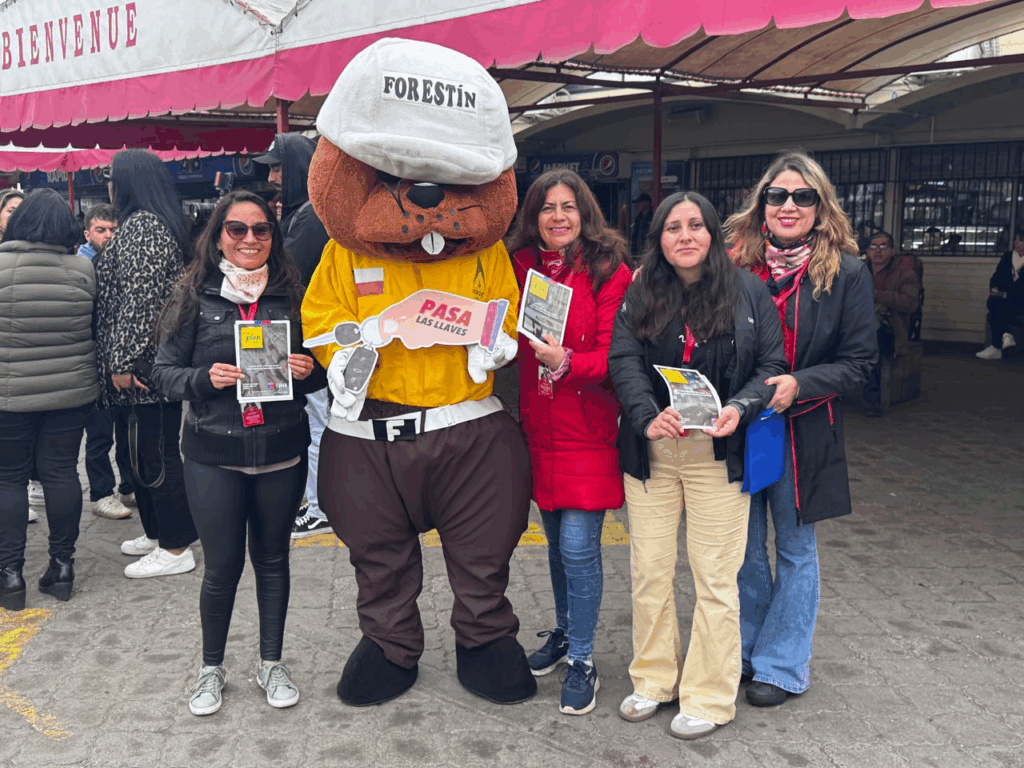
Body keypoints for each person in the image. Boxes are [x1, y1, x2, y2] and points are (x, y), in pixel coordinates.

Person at [608, 190, 786, 739]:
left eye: (695, 225)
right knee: (650, 570)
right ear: (658, 238)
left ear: (712, 233)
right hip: (654, 453)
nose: (684, 236)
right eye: (672, 227)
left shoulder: (749, 291)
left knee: (714, 577)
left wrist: (741, 407)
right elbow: (623, 359)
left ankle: (708, 695)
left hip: (716, 452)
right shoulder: (642, 290)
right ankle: (654, 679)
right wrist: (645, 416)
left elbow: (771, 364)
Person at [151, 190, 324, 716]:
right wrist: (204, 379)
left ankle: (271, 663)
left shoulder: (294, 292)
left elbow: (325, 365)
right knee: (222, 567)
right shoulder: (193, 292)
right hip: (213, 451)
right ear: (218, 235)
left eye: (261, 229)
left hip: (280, 449)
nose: (250, 239)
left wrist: (308, 370)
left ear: (274, 236)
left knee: (272, 560)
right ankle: (211, 668)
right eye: (237, 229)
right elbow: (162, 373)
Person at [726, 151, 876, 708]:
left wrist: (800, 383)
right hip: (742, 427)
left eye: (802, 196)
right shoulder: (737, 266)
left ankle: (783, 665)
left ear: (820, 205)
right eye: (778, 195)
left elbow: (861, 364)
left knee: (794, 547)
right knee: (743, 549)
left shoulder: (847, 272)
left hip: (803, 430)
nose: (789, 205)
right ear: (762, 204)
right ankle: (746, 651)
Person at [505, 169, 631, 715]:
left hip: (587, 429)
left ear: (585, 213)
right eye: (547, 208)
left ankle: (582, 658)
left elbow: (616, 358)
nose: (558, 217)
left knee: (579, 548)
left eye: (568, 207)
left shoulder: (609, 271)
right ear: (533, 217)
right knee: (556, 546)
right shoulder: (519, 266)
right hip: (539, 427)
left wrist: (568, 362)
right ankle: (563, 632)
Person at [93, 149, 198, 578]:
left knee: (154, 455)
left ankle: (175, 546)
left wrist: (122, 362)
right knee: (143, 453)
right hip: (147, 363)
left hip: (143, 368)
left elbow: (139, 303)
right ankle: (158, 533)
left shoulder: (144, 228)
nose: (108, 186)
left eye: (112, 178)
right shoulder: (151, 224)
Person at [0, 189, 100, 610]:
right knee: (61, 473)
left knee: (9, 479)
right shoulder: (83, 270)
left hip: (7, 397)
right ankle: (62, 567)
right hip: (70, 393)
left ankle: (9, 574)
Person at [254, 133, 333, 540]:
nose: (271, 176)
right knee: (315, 422)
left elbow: (289, 276)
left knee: (318, 424)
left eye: (278, 167)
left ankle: (321, 508)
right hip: (306, 340)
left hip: (310, 342)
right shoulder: (305, 213)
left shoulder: (311, 217)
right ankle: (318, 501)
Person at [76, 204, 137, 518]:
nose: (109, 235)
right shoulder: (81, 268)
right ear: (88, 234)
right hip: (94, 363)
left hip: (122, 360)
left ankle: (128, 486)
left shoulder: (126, 263)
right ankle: (101, 493)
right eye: (102, 230)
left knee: (126, 428)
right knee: (100, 434)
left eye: (114, 229)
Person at [862, 231, 921, 415]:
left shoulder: (905, 274)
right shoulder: (856, 271)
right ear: (867, 251)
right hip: (855, 325)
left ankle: (873, 401)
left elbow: (911, 303)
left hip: (890, 328)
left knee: (872, 343)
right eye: (873, 246)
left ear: (893, 250)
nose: (878, 251)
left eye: (883, 246)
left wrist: (877, 295)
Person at [976, 227, 1024, 360]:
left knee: (997, 308)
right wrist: (995, 288)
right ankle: (1005, 336)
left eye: (1021, 240)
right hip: (1007, 300)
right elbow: (996, 277)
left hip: (1020, 301)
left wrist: (1005, 293)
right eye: (1015, 239)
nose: (1016, 242)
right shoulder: (1008, 257)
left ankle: (997, 345)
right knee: (993, 301)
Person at [630, 193, 653, 262]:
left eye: (640, 202)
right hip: (638, 253)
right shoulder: (638, 218)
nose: (638, 205)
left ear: (647, 203)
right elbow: (635, 236)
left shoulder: (653, 217)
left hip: (648, 252)